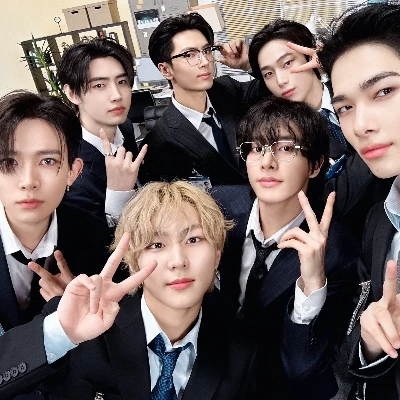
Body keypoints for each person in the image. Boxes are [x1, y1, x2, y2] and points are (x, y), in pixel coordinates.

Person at [2, 182, 258, 400]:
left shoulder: (243, 350)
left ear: (217, 256)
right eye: (156, 244)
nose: (178, 261)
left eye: (193, 239)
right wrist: (62, 332)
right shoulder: (80, 323)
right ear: (133, 260)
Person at [211, 97, 359, 399]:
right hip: (213, 375)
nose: (267, 162)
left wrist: (313, 283)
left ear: (315, 165)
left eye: (286, 148)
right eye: (255, 148)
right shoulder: (216, 206)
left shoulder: (338, 250)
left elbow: (301, 367)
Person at [219, 19, 394, 243]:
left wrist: (333, 62)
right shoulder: (283, 134)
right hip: (354, 232)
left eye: (288, 63)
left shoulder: (350, 90)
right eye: (269, 74)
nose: (281, 80)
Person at [0, 90, 116, 399]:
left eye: (47, 161)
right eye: (9, 162)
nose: (28, 180)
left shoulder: (92, 234)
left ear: (73, 172)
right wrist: (59, 324)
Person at [316, 4, 400, 399]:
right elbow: (351, 359)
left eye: (384, 91)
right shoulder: (380, 222)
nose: (361, 125)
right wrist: (372, 342)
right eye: (345, 107)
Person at [138, 12, 269, 186]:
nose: (205, 61)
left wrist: (249, 65)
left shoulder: (227, 89)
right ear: (165, 70)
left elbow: (273, 91)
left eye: (206, 50)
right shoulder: (159, 143)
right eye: (189, 55)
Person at [58, 38, 146, 225]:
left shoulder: (125, 127)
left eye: (122, 81)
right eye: (99, 85)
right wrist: (118, 195)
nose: (117, 95)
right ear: (73, 94)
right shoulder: (68, 168)